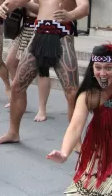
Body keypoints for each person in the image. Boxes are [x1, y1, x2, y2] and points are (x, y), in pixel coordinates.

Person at [0, 0, 89, 146]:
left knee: (72, 91)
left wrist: (69, 14)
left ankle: (76, 141)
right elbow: (18, 0)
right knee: (18, 85)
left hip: (62, 37)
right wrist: (6, 6)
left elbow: (84, 7)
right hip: (38, 36)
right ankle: (13, 132)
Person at [47, 44, 112, 196]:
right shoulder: (89, 95)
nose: (102, 73)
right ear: (92, 68)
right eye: (98, 67)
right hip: (101, 152)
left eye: (108, 68)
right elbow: (75, 126)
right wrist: (64, 153)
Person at [6, 0, 51, 122]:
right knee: (11, 60)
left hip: (43, 29)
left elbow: (43, 10)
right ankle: (18, 97)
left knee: (42, 70)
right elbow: (17, 3)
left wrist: (22, 1)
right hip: (25, 27)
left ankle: (42, 109)